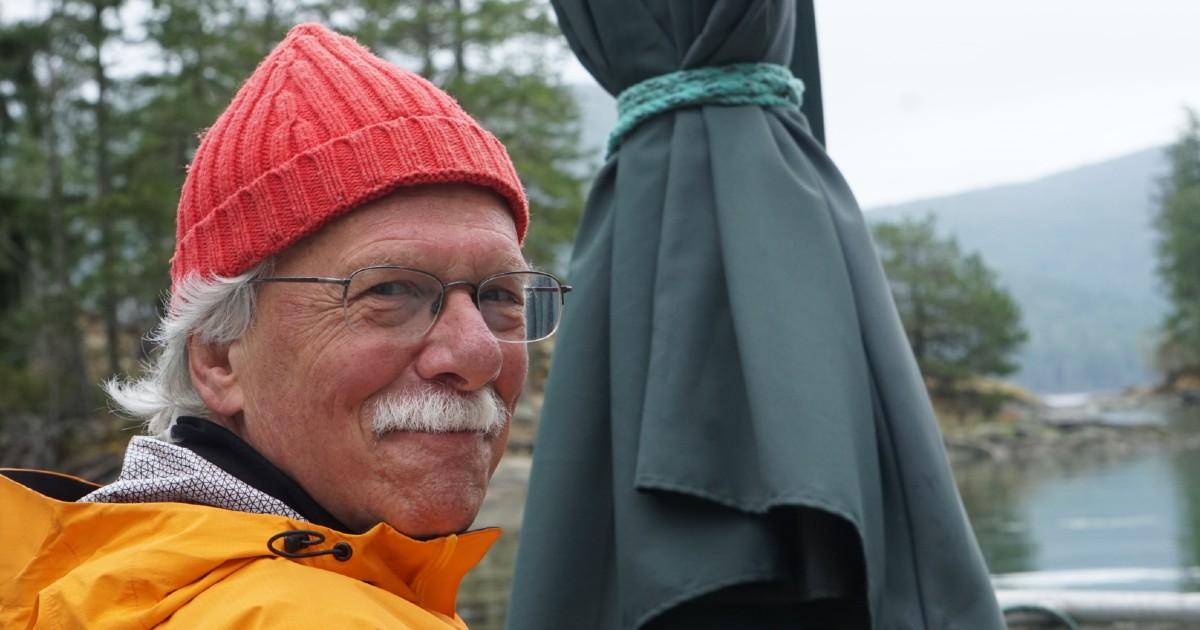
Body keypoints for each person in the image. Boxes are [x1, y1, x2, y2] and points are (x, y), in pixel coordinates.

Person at [0, 23, 566, 629]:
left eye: (501, 295)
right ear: (219, 356)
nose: (477, 352)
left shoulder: (104, 585)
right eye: (392, 290)